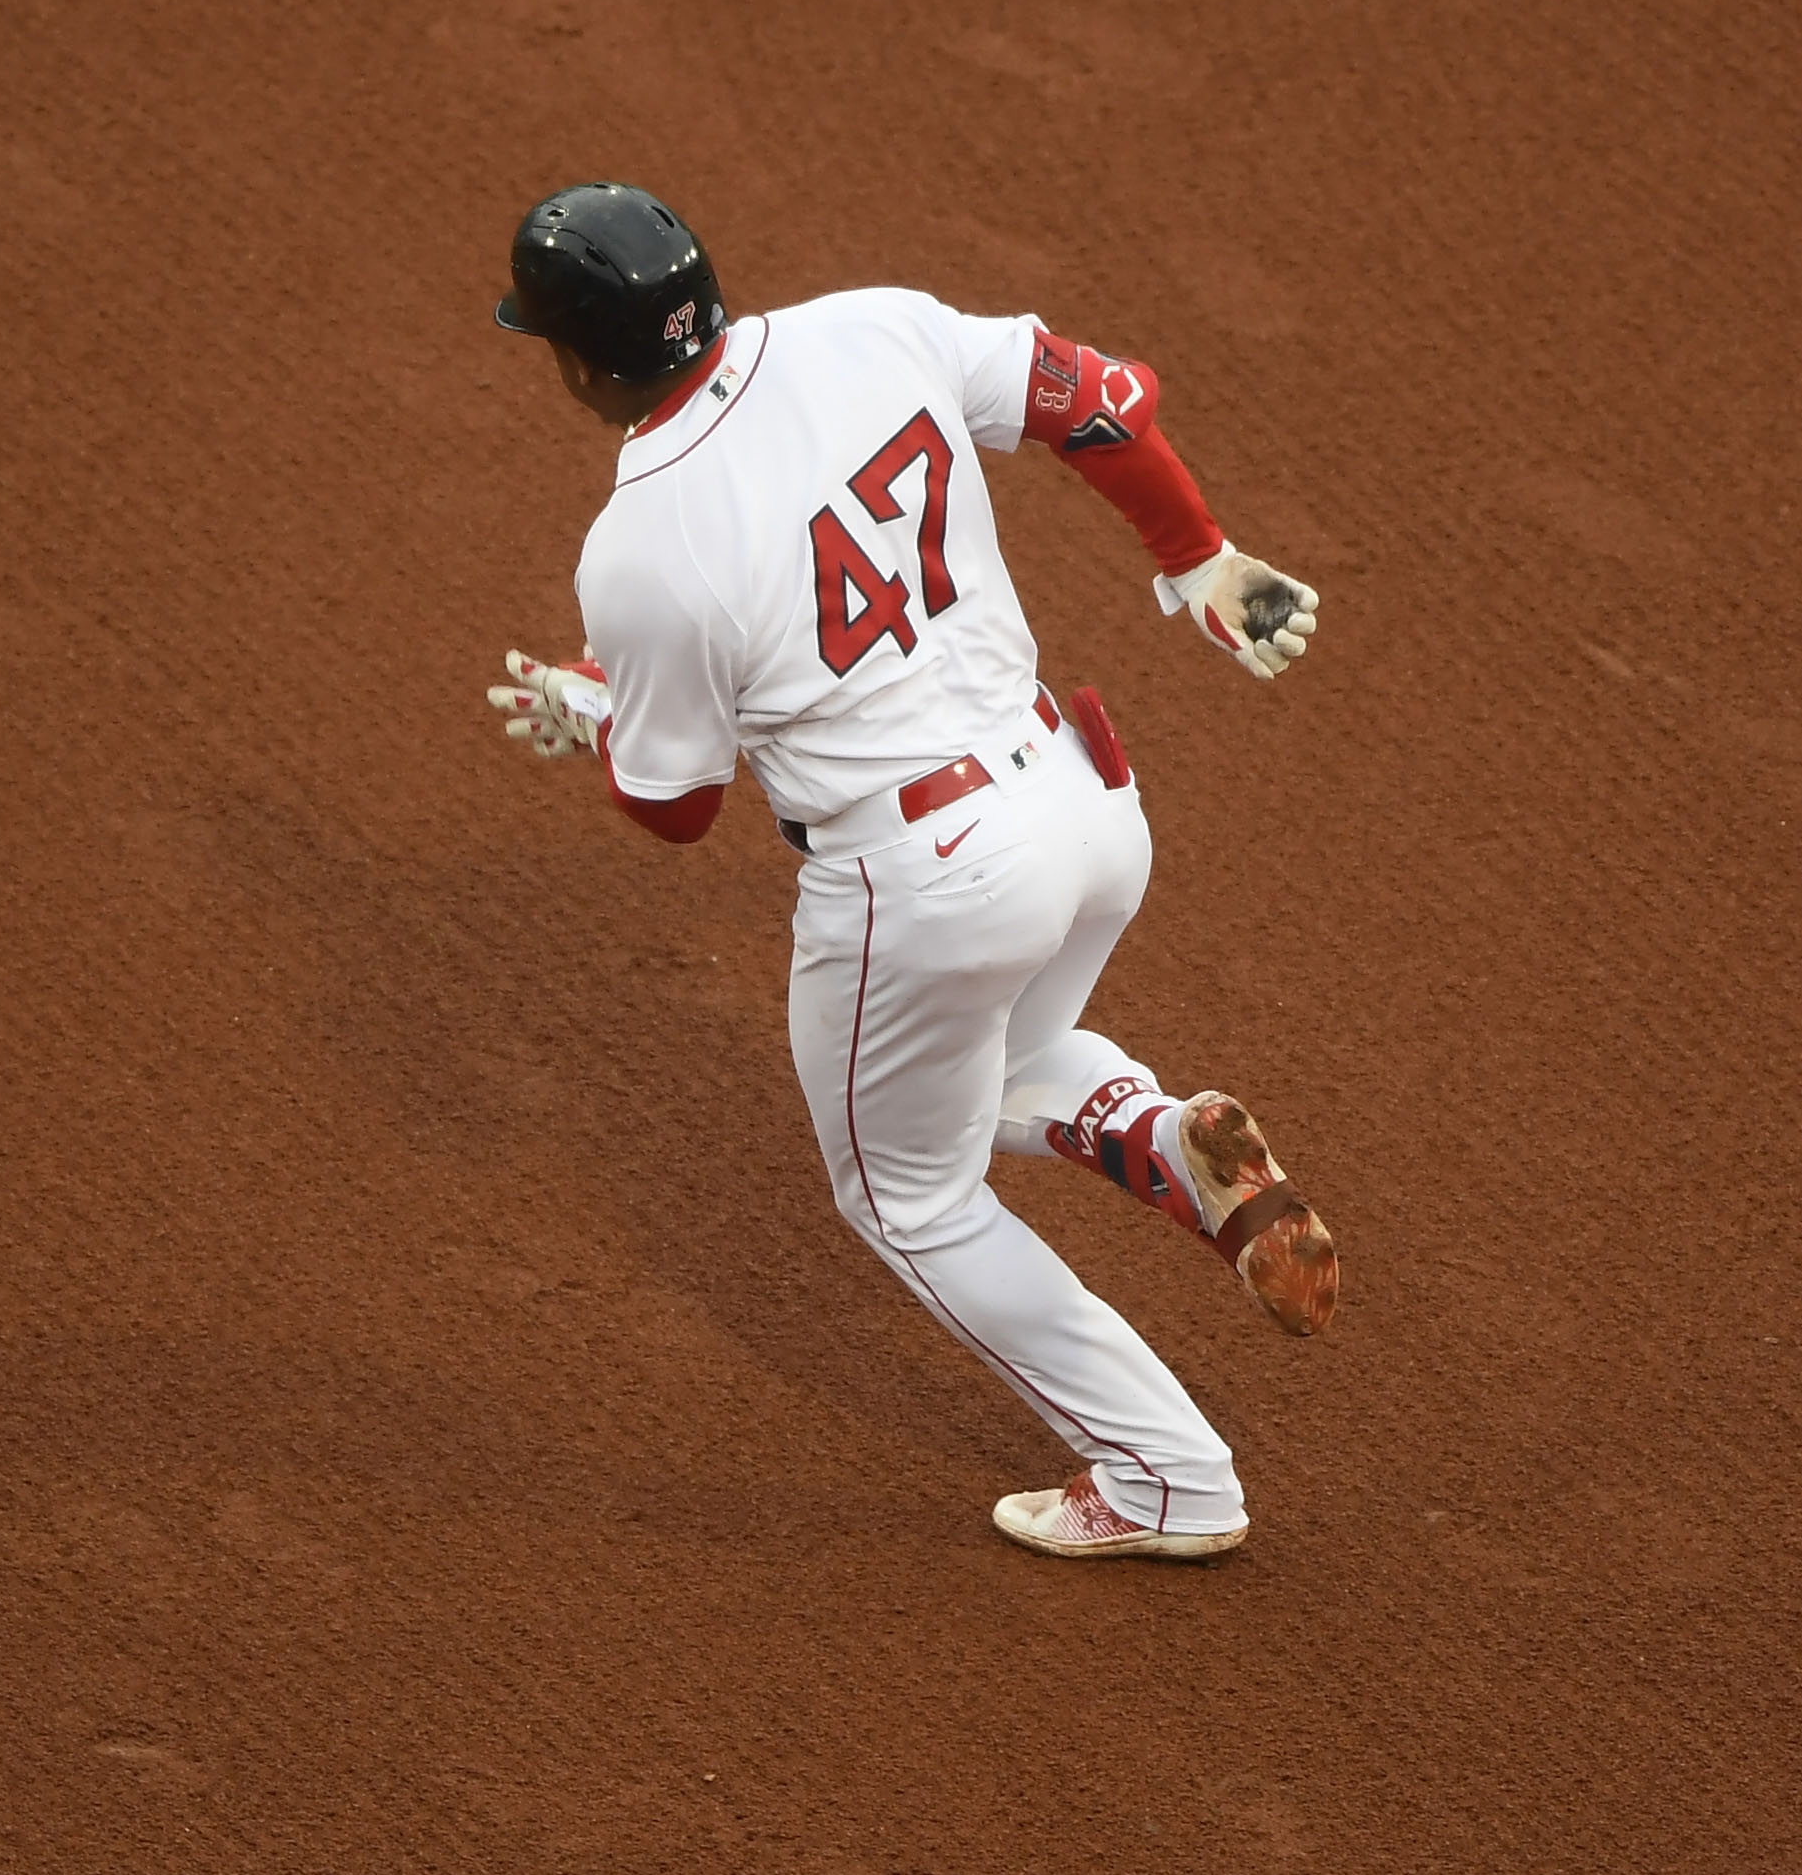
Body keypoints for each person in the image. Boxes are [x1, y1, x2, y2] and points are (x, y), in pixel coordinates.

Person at [477, 182, 1339, 1561]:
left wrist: (605, 724)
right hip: (1084, 800)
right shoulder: (868, 328)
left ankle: (1168, 1477)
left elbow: (675, 809)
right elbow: (1087, 398)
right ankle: (1155, 1137)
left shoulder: (640, 542)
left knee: (907, 1196)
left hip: (928, 883)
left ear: (576, 360)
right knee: (995, 1063)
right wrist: (1199, 557)